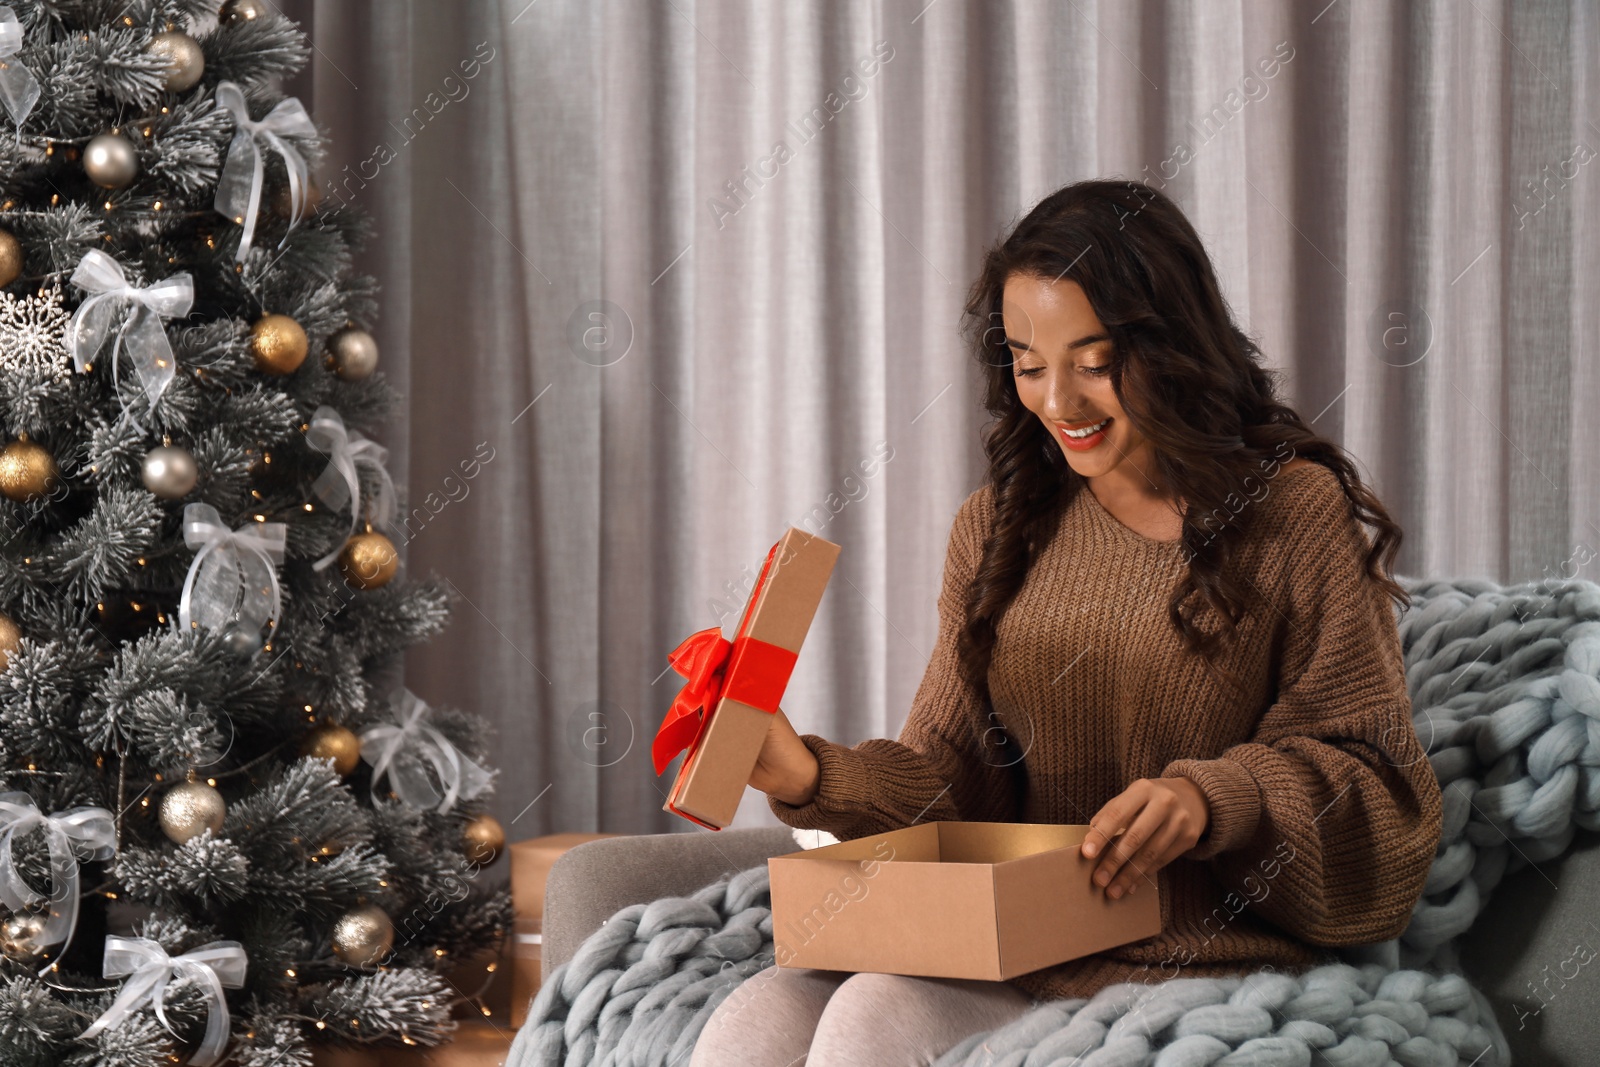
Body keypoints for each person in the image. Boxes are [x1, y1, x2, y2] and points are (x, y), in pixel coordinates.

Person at [689, 178, 1442, 1067]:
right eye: (1028, 360)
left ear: (1171, 345)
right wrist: (811, 771)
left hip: (1195, 964)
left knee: (872, 1018)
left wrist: (1212, 797)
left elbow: (1379, 789)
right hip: (1016, 946)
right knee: (757, 1017)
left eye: (1095, 360)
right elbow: (952, 778)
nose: (1060, 403)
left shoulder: (1290, 514)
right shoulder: (997, 527)